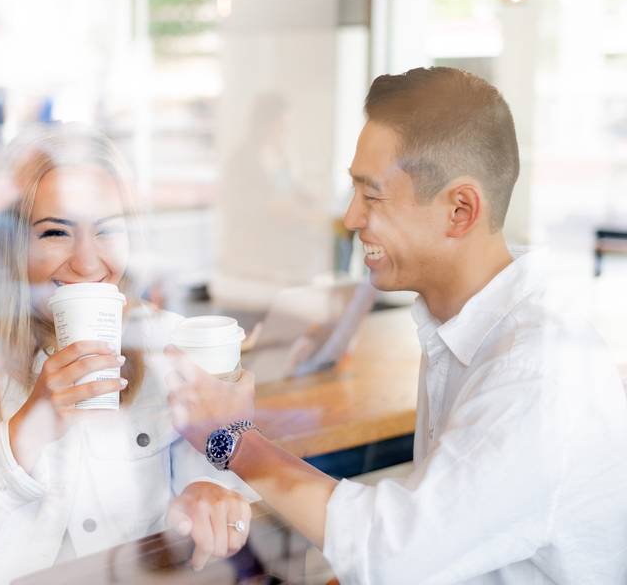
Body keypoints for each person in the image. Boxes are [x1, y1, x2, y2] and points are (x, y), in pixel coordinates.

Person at [164, 67, 627, 582]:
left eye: (372, 195)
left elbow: (396, 551)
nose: (350, 217)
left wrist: (233, 439)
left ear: (459, 210)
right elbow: (436, 529)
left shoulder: (534, 375)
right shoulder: (463, 323)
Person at [0, 125, 254, 584]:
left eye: (108, 231)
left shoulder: (167, 340)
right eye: (56, 232)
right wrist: (28, 427)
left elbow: (221, 479)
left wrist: (210, 492)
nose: (88, 263)